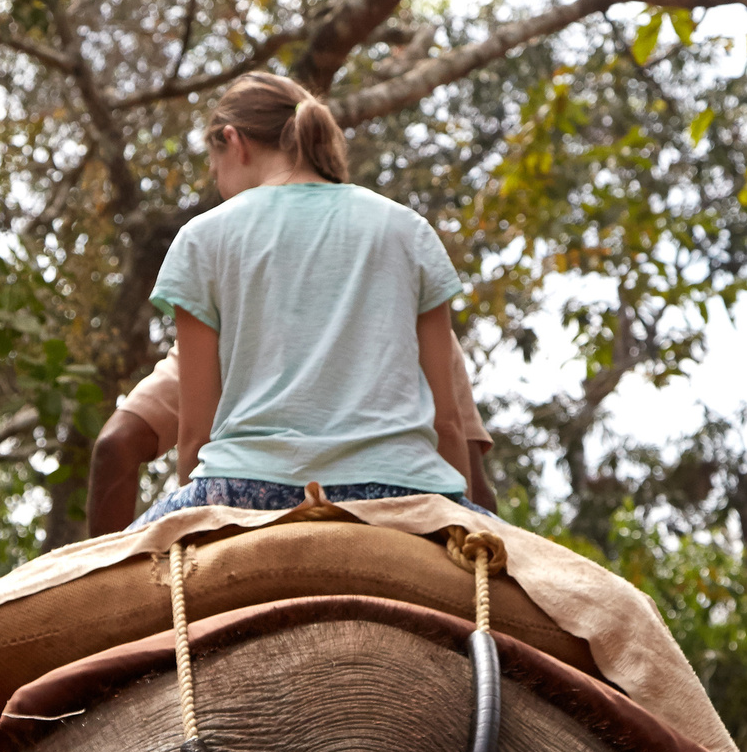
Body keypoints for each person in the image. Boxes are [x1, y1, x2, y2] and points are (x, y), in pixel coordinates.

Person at [127, 72, 489, 529]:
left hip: (245, 490)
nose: (218, 182)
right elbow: (448, 423)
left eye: (215, 167)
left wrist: (193, 528)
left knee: (94, 568)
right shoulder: (408, 229)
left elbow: (196, 435)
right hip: (406, 490)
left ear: (234, 141)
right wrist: (460, 522)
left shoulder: (202, 238)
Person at [86, 339, 496, 535]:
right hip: (405, 512)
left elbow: (114, 447)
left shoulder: (225, 324)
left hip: (242, 505)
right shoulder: (419, 318)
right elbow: (473, 482)